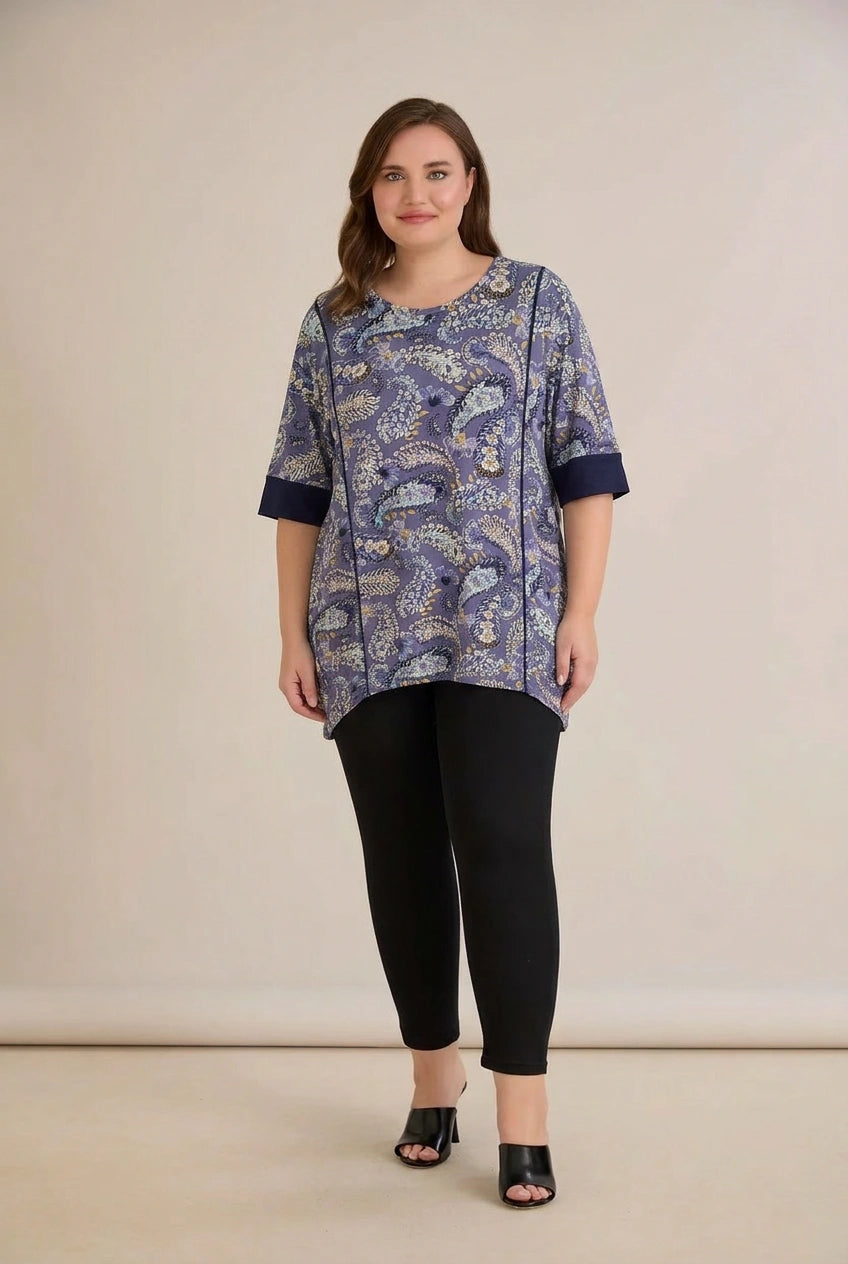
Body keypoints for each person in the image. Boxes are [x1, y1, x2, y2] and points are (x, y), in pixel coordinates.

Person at [257, 97, 630, 1208]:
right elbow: (300, 489)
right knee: (403, 855)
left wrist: (580, 612)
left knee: (505, 848)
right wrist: (292, 632)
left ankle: (523, 1113)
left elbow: (585, 464)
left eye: (435, 170)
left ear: (469, 182)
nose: (413, 193)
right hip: (365, 630)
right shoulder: (333, 322)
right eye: (391, 174)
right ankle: (432, 1079)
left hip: (506, 624)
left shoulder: (535, 302)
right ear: (367, 193)